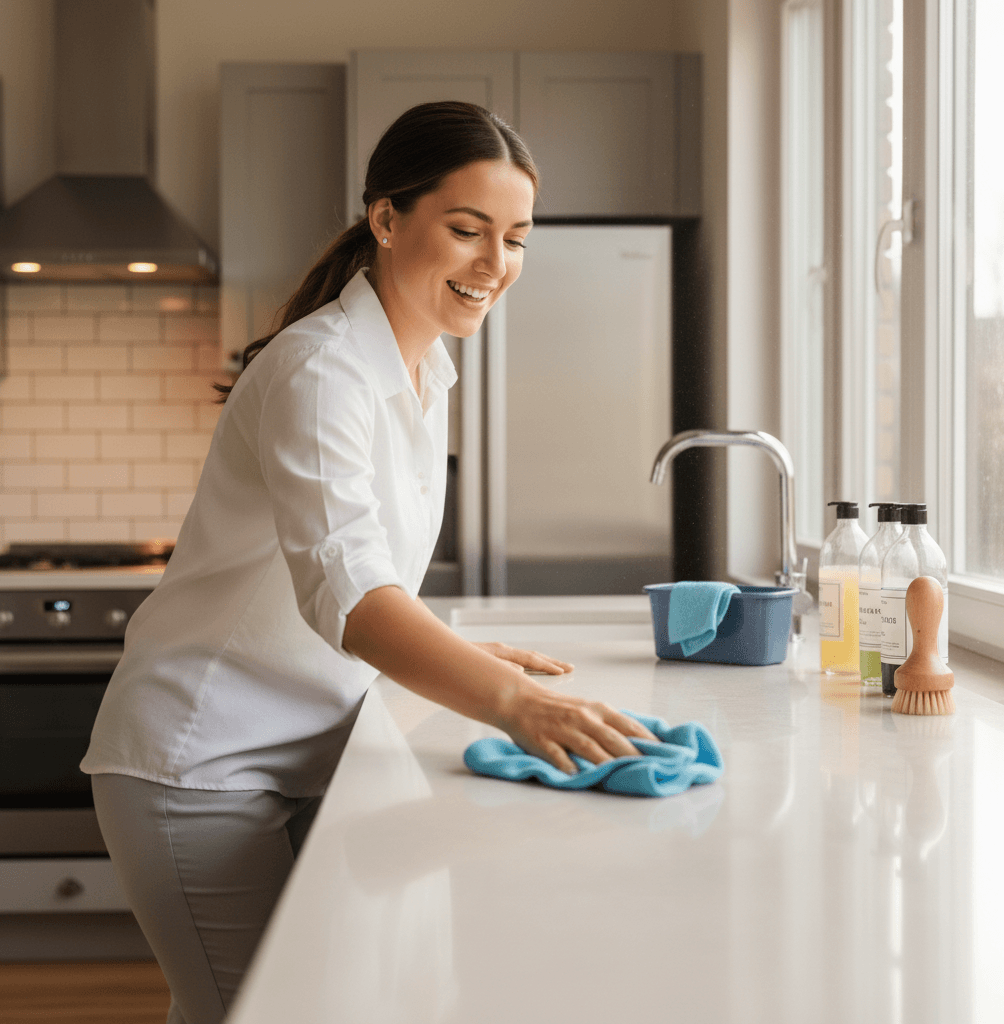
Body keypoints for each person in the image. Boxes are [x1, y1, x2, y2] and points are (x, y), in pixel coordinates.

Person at [81, 101, 655, 1024]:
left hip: (312, 748)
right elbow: (348, 593)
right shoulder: (322, 373)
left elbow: (367, 570)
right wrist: (514, 703)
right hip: (204, 764)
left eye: (516, 239)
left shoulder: (421, 371)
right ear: (387, 220)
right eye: (466, 230)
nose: (494, 265)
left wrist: (475, 664)